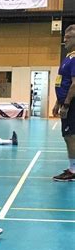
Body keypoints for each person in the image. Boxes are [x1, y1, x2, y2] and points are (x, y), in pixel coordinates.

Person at [52, 24, 75, 182]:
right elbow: (62, 82)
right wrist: (57, 102)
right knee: (68, 136)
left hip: (72, 104)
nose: (64, 40)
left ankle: (73, 170)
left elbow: (74, 84)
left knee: (70, 136)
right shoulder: (68, 57)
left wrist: (66, 104)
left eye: (68, 38)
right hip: (65, 102)